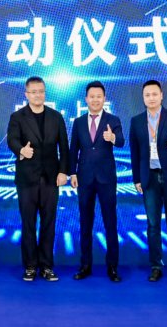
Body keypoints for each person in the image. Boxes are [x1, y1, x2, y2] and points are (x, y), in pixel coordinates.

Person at [7, 76, 69, 281]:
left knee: (49, 223)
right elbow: (12, 140)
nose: (37, 95)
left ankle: (47, 266)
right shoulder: (18, 117)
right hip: (27, 179)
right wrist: (21, 150)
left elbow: (64, 147)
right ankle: (30, 266)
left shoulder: (56, 117)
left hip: (51, 179)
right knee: (28, 223)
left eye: (41, 91)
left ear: (45, 93)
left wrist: (63, 171)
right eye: (33, 92)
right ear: (26, 94)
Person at [129, 80, 167, 284]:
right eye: (147, 95)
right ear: (143, 98)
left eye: (155, 94)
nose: (151, 98)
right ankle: (156, 266)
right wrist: (136, 178)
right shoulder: (137, 121)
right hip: (149, 177)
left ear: (161, 95)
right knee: (153, 225)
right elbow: (135, 152)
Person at [69, 81, 124, 282]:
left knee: (110, 222)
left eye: (98, 96)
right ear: (86, 99)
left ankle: (113, 267)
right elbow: (73, 149)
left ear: (104, 98)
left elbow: (121, 141)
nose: (95, 100)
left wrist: (112, 138)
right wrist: (72, 173)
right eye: (91, 96)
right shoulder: (78, 122)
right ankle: (85, 265)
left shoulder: (113, 120)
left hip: (106, 178)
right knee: (85, 223)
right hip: (84, 178)